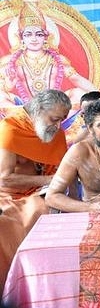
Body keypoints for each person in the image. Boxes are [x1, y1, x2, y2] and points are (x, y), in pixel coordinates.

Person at [0, 89, 71, 295]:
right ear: (38, 110)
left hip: (46, 194)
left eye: (62, 120)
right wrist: (49, 180)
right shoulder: (10, 130)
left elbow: (65, 172)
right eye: (54, 119)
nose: (58, 126)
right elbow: (4, 180)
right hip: (9, 198)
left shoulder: (55, 133)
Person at [0, 0, 96, 108]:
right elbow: (2, 88)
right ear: (21, 37)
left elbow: (76, 79)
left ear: (46, 37)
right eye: (28, 34)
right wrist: (8, 84)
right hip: (24, 109)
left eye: (39, 34)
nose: (34, 39)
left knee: (79, 94)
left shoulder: (57, 60)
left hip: (55, 109)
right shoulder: (10, 62)